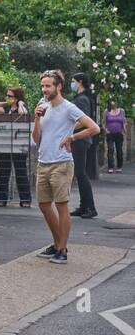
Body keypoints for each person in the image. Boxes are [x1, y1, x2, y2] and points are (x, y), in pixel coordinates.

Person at [34, 70, 101, 263]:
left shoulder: (69, 107)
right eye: (43, 86)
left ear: (59, 86)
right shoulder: (42, 106)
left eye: (48, 86)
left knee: (61, 206)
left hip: (61, 163)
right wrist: (37, 118)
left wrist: (72, 136)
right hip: (43, 162)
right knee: (44, 205)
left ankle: (62, 251)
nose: (45, 89)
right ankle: (57, 244)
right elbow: (36, 138)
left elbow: (94, 127)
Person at [0, 87, 32, 207]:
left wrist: (20, 103)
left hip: (19, 145)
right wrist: (6, 102)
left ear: (17, 97)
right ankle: (1, 198)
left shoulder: (21, 108)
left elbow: (23, 114)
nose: (8, 98)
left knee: (21, 171)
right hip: (6, 144)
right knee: (4, 171)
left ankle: (25, 199)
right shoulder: (7, 108)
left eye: (10, 96)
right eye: (7, 95)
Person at [69, 72, 98, 219]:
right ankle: (84, 206)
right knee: (80, 174)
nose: (72, 84)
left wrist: (68, 130)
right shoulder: (83, 98)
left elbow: (82, 121)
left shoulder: (82, 99)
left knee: (81, 173)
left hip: (80, 139)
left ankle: (90, 208)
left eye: (73, 81)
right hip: (81, 140)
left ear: (79, 82)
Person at [105, 100, 125, 173]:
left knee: (119, 150)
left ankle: (119, 166)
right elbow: (104, 121)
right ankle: (110, 167)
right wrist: (106, 130)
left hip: (119, 133)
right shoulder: (106, 111)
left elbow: (124, 121)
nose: (113, 103)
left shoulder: (122, 111)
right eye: (111, 102)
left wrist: (123, 131)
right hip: (110, 134)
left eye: (114, 102)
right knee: (110, 150)